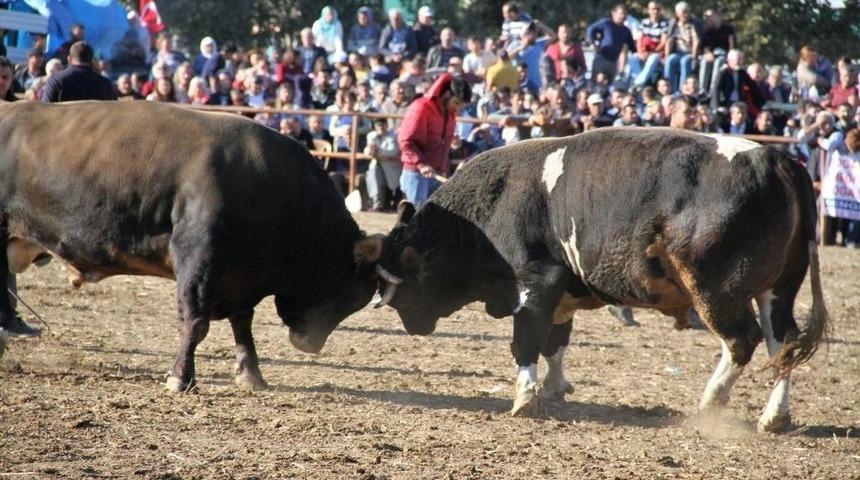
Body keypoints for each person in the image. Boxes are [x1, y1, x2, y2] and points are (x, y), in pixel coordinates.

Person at [398, 74, 471, 207]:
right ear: (447, 94)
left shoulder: (449, 113)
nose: (457, 108)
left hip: (436, 173)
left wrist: (444, 167)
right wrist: (421, 164)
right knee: (417, 217)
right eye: (456, 103)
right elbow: (405, 141)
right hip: (416, 174)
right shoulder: (421, 107)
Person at [42, 42, 116, 102]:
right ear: (92, 60)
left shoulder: (56, 81)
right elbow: (114, 111)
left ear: (69, 59)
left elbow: (46, 110)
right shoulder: (106, 84)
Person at [710, 49, 765, 125]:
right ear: (730, 61)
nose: (740, 62)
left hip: (739, 103)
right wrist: (717, 107)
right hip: (726, 103)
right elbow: (716, 90)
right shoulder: (723, 73)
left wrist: (762, 102)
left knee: (751, 121)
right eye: (738, 60)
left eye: (741, 59)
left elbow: (753, 87)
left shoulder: (742, 73)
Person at [586, 4, 636, 81]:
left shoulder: (626, 31)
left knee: (609, 83)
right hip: (601, 58)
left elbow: (633, 47)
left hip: (613, 62)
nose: (623, 16)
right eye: (621, 13)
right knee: (597, 81)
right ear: (614, 13)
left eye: (625, 14)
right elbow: (590, 29)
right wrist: (593, 43)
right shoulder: (606, 23)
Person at [365, 118, 402, 211]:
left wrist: (377, 151)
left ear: (386, 125)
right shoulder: (371, 135)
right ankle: (377, 204)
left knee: (380, 177)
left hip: (392, 167)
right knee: (374, 174)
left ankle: (382, 204)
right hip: (376, 165)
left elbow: (393, 151)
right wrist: (371, 150)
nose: (380, 127)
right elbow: (367, 151)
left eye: (382, 124)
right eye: (378, 125)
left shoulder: (394, 135)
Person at [630, 1, 668, 88]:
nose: (655, 11)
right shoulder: (644, 23)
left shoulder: (664, 24)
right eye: (653, 9)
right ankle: (642, 82)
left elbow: (663, 42)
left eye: (657, 9)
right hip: (644, 50)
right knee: (633, 58)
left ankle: (638, 84)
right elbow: (639, 39)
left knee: (653, 59)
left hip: (657, 52)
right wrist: (640, 52)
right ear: (649, 10)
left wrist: (651, 53)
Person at [664, 2, 699, 94]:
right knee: (670, 60)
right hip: (678, 52)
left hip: (690, 52)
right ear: (677, 14)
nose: (686, 14)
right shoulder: (674, 24)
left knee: (684, 61)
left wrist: (694, 57)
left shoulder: (693, 24)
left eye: (687, 12)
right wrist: (666, 55)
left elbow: (696, 41)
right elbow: (669, 40)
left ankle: (681, 90)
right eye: (684, 12)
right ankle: (668, 88)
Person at [698, 8, 735, 93]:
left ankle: (713, 88)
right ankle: (702, 89)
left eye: (710, 16)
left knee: (719, 62)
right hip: (711, 54)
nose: (708, 19)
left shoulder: (728, 28)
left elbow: (731, 43)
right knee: (705, 62)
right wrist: (708, 53)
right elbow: (705, 45)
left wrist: (730, 56)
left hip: (724, 54)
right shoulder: (707, 29)